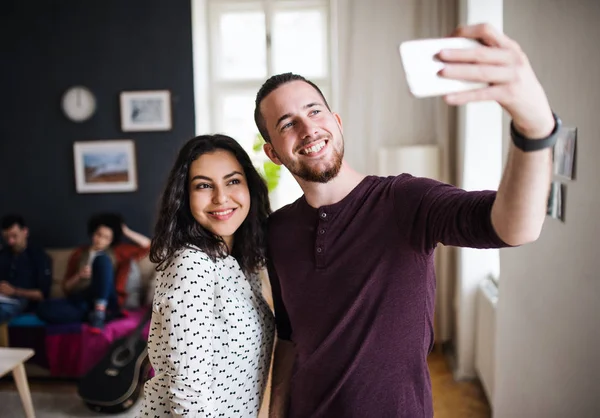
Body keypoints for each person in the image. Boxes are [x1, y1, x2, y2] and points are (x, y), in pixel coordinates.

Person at [254, 24, 558, 418]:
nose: (308, 127)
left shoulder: (403, 200)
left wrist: (534, 129)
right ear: (273, 153)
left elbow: (514, 227)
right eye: (287, 123)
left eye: (314, 111)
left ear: (337, 121)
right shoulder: (277, 232)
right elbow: (290, 337)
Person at [139, 134, 275, 417]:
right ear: (184, 196)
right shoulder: (192, 264)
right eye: (203, 185)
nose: (221, 197)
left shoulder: (236, 261)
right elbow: (187, 395)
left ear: (250, 186)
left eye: (233, 181)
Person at [37, 213, 151, 331]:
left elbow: (148, 246)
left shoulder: (117, 252)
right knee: (43, 308)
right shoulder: (79, 253)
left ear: (111, 240)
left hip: (108, 299)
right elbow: (66, 288)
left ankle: (99, 312)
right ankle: (99, 316)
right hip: (83, 299)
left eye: (106, 237)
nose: (100, 240)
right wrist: (79, 276)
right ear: (93, 234)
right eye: (98, 234)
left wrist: (124, 231)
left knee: (101, 259)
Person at [0, 214, 52, 323]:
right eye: (6, 238)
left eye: (14, 236)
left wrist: (15, 291)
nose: (10, 242)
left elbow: (42, 294)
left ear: (25, 232)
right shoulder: (4, 254)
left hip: (21, 301)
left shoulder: (38, 256)